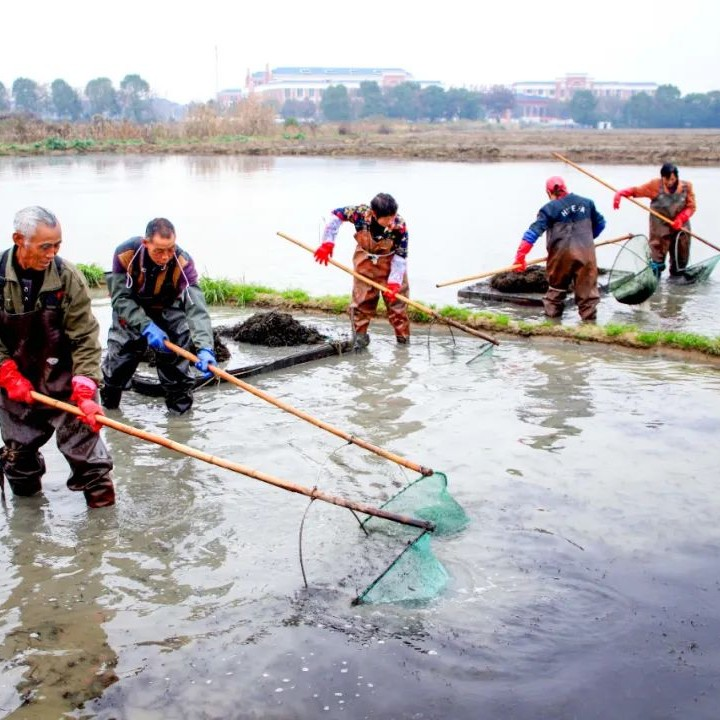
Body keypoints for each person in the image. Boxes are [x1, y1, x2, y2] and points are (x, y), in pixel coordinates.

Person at [0, 206, 115, 507]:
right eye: (45, 246)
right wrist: (7, 373)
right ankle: (27, 531)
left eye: (57, 245)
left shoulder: (68, 277)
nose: (52, 252)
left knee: (92, 464)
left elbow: (86, 337)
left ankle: (102, 535)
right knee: (18, 458)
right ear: (18, 240)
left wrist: (86, 386)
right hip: (16, 380)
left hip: (65, 379)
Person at [101, 218, 216, 414]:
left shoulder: (182, 261)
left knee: (177, 369)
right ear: (146, 243)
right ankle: (109, 410)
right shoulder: (126, 254)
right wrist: (145, 325)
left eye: (170, 249)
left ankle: (180, 421)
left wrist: (205, 346)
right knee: (119, 362)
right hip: (132, 305)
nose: (166, 256)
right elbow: (120, 299)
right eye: (159, 251)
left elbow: (196, 307)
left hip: (168, 306)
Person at [313, 193, 410, 348]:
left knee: (397, 307)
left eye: (393, 216)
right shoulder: (359, 214)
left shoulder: (399, 226)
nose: (392, 222)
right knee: (361, 303)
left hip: (391, 265)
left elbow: (401, 256)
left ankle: (403, 343)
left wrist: (394, 283)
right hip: (365, 262)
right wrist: (327, 243)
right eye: (387, 218)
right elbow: (335, 216)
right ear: (374, 214)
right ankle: (360, 340)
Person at [512, 176, 606, 321]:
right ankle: (589, 327)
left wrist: (520, 257)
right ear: (565, 188)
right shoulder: (587, 203)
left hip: (560, 257)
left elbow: (532, 233)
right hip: (586, 254)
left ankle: (552, 326)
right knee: (588, 297)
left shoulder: (548, 209)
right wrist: (587, 240)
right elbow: (601, 224)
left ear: (549, 192)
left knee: (555, 294)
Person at [612, 162, 695, 278]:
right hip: (660, 227)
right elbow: (637, 190)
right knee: (656, 261)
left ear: (676, 177)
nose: (670, 182)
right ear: (662, 178)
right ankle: (656, 283)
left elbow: (691, 207)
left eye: (672, 179)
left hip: (681, 226)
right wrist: (620, 194)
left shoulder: (687, 187)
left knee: (680, 260)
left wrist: (681, 218)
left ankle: (677, 279)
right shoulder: (655, 185)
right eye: (667, 180)